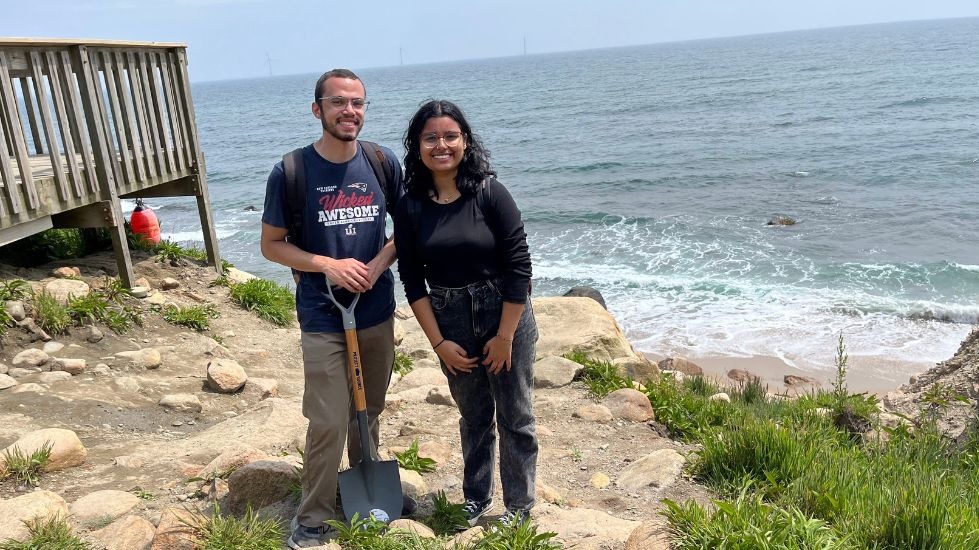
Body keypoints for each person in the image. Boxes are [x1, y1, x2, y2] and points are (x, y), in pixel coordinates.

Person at [260, 68, 411, 549]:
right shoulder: (292, 171)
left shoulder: (382, 162)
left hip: (375, 310)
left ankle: (366, 488)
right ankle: (313, 517)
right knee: (328, 416)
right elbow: (272, 245)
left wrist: (376, 263)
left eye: (358, 103)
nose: (350, 111)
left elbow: (406, 229)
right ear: (317, 109)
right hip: (323, 315)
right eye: (339, 102)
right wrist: (327, 263)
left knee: (369, 409)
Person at [393, 99, 539, 527]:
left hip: (504, 313)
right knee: (474, 416)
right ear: (417, 146)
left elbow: (519, 266)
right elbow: (411, 279)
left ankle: (519, 508)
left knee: (516, 414)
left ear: (465, 141)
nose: (441, 145)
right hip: (449, 316)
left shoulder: (491, 192)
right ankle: (476, 498)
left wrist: (505, 336)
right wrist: (439, 343)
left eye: (450, 136)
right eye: (431, 137)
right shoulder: (410, 205)